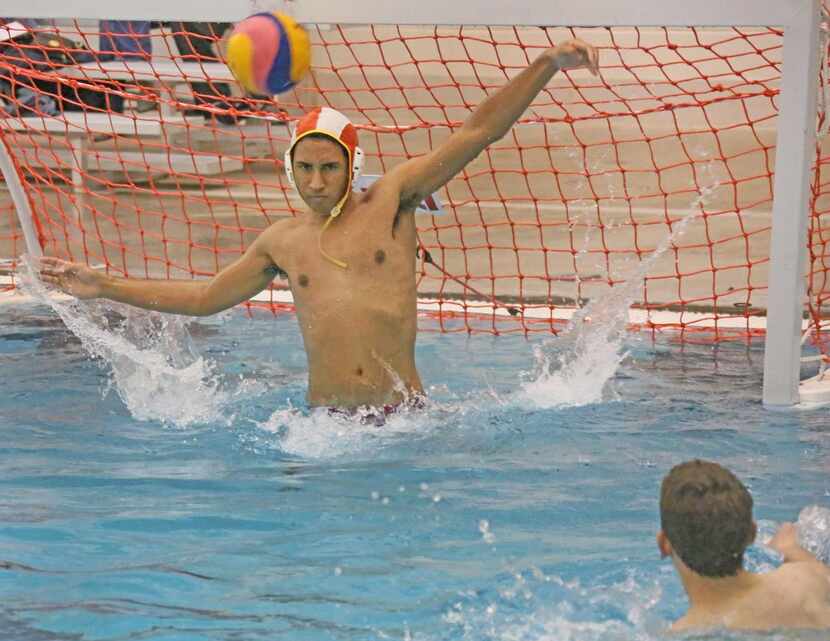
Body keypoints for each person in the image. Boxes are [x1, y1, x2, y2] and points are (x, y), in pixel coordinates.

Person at [38, 39, 599, 412]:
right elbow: (206, 298)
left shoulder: (394, 200)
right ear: (290, 169)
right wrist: (102, 285)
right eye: (304, 168)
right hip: (322, 430)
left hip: (403, 421)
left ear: (351, 167)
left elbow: (478, 133)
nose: (315, 181)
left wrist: (546, 65)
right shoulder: (282, 242)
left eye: (328, 167)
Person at [657, 459, 830, 632]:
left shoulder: (681, 633)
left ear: (664, 544)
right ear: (752, 534)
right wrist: (788, 547)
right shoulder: (806, 583)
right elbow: (813, 567)